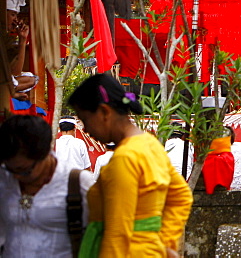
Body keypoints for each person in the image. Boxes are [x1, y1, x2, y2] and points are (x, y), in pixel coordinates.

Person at [67, 73, 192, 257]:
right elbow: (182, 196)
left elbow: (117, 234)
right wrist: (162, 243)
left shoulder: (124, 159)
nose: (85, 129)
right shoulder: (150, 144)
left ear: (104, 112)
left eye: (85, 120)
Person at [0, 114, 95, 257]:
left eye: (24, 170)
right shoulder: (4, 178)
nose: (16, 176)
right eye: (9, 168)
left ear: (46, 154)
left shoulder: (80, 185)